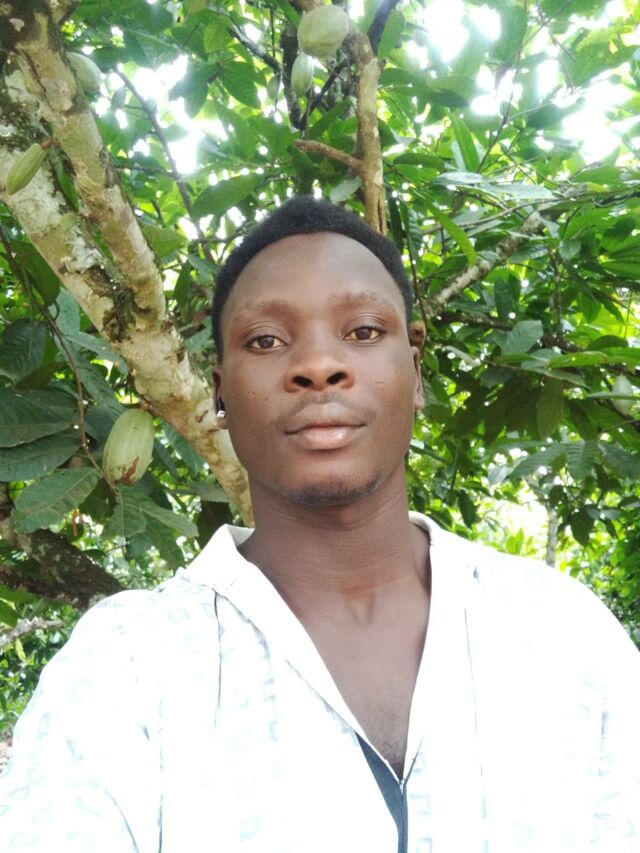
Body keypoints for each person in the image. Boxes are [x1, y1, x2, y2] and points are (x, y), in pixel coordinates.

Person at [0, 196, 638, 853]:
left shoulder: (565, 632)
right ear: (219, 392)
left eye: (362, 331)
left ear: (415, 366)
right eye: (266, 341)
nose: (317, 366)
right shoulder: (127, 664)